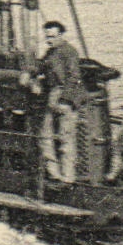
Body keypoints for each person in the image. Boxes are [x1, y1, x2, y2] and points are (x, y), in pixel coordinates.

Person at [32, 20, 85, 180]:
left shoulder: (70, 52)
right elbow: (40, 66)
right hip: (53, 96)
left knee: (66, 138)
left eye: (53, 37)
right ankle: (54, 173)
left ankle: (68, 177)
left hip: (65, 98)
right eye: (47, 37)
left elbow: (74, 77)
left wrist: (65, 100)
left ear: (61, 35)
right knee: (45, 137)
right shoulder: (51, 53)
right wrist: (30, 74)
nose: (49, 40)